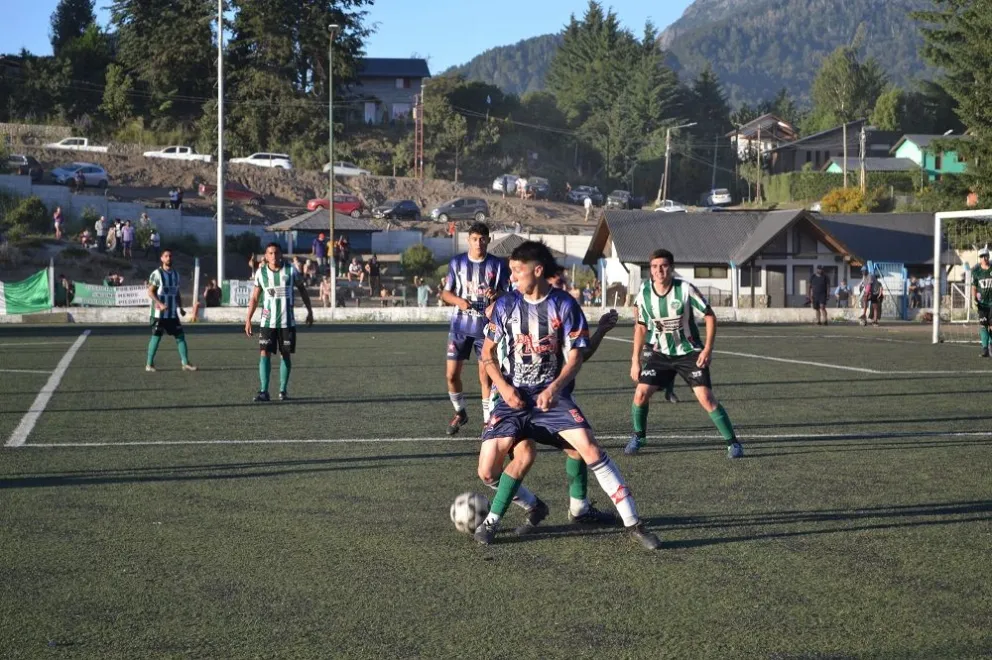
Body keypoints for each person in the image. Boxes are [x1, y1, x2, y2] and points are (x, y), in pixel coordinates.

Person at [474, 240, 660, 549]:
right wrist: (504, 388)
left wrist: (554, 388)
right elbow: (488, 355)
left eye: (518, 271)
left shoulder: (564, 305)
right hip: (513, 398)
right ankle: (534, 506)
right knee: (486, 471)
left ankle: (635, 524)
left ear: (538, 270)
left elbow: (576, 357)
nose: (513, 277)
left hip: (553, 398)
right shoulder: (507, 305)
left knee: (589, 449)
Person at [624, 249, 743, 458]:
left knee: (706, 398)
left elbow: (709, 316)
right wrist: (635, 360)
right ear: (650, 270)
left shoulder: (685, 289)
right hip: (660, 354)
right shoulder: (644, 292)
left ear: (671, 267)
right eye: (654, 266)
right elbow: (641, 326)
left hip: (689, 353)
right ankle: (639, 436)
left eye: (663, 266)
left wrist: (707, 349)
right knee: (641, 393)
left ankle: (733, 443)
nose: (659, 270)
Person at [440, 222, 509, 435]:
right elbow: (446, 293)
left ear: (489, 239)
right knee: (451, 375)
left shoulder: (498, 265)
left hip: (486, 328)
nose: (478, 243)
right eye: (474, 239)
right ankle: (460, 412)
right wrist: (459, 301)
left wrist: (496, 296)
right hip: (460, 326)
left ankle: (488, 421)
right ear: (468, 240)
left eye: (482, 238)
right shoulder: (457, 263)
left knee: (485, 375)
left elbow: (508, 293)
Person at [244, 242, 314, 402]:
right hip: (267, 323)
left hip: (287, 322)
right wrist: (248, 319)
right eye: (270, 253)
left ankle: (283, 391)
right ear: (266, 256)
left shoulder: (291, 271)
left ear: (281, 254)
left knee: (285, 355)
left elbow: (303, 290)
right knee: (264, 353)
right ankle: (264, 391)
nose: (273, 256)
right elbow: (255, 297)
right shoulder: (261, 273)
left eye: (276, 253)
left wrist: (310, 311)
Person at [145, 248, 198, 372]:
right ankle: (149, 364)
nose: (169, 258)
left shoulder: (176, 274)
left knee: (180, 336)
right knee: (156, 336)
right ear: (162, 259)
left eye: (170, 256)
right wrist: (160, 304)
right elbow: (150, 292)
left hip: (172, 313)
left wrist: (180, 308)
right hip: (159, 313)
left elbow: (176, 292)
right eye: (166, 256)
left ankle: (185, 363)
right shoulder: (156, 274)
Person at [971, 246, 992, 357]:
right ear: (980, 258)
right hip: (982, 304)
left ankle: (991, 346)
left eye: (986, 256)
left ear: (988, 256)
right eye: (982, 256)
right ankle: (985, 349)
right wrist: (974, 299)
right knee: (983, 326)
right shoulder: (976, 272)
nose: (984, 258)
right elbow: (974, 287)